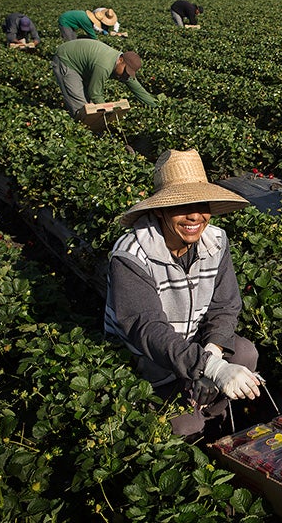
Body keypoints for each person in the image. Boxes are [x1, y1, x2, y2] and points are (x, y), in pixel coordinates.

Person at [104, 148, 260, 437]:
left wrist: (212, 354)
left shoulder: (215, 242)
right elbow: (148, 330)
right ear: (160, 210)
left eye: (202, 205)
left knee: (245, 353)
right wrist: (210, 367)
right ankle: (190, 428)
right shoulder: (131, 256)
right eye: (180, 206)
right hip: (147, 359)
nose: (194, 216)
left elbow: (224, 305)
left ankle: (214, 419)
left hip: (194, 344)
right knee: (185, 428)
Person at [51, 39, 157, 120]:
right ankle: (82, 130)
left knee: (90, 105)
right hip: (67, 60)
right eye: (125, 71)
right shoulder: (104, 66)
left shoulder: (121, 67)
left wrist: (156, 106)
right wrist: (108, 114)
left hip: (84, 65)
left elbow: (137, 89)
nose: (126, 75)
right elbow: (95, 93)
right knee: (81, 107)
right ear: (120, 60)